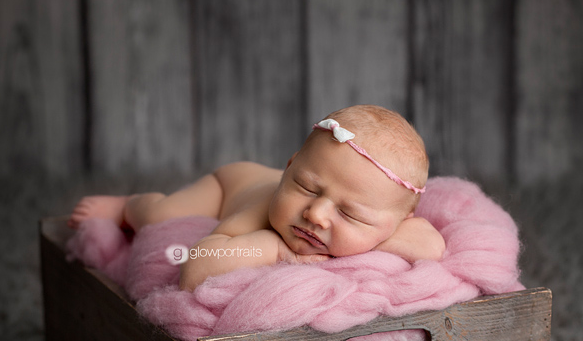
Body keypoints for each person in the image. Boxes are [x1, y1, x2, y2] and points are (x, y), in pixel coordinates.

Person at [68, 105, 445, 291]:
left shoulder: (395, 226)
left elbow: (430, 245)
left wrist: (372, 240)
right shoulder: (259, 216)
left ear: (397, 223)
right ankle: (128, 204)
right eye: (306, 187)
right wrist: (276, 250)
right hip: (230, 185)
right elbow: (194, 268)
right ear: (289, 166)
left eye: (351, 214)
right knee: (162, 213)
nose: (316, 214)